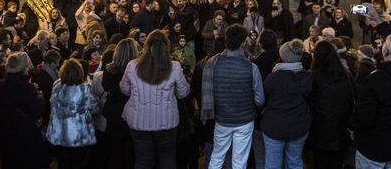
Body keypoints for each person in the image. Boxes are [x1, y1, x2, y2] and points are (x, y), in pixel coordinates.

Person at [120, 29, 191, 169]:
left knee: (142, 159)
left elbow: (124, 89)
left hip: (138, 121)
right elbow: (183, 93)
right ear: (167, 46)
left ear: (146, 45)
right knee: (167, 158)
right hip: (166, 122)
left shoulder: (132, 66)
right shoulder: (175, 67)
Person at [350, 31, 391, 168]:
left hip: (373, 149)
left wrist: (351, 125)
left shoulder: (375, 80)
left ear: (386, 51)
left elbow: (364, 117)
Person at [202, 24, 266, 169]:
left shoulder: (213, 63)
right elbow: (260, 99)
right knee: (239, 161)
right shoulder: (251, 67)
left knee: (217, 157)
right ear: (243, 42)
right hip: (245, 121)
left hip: (222, 119)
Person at [260, 39, 313, 169]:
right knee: (295, 161)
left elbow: (262, 98)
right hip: (300, 126)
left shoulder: (274, 77)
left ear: (282, 56)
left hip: (274, 127)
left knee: (273, 164)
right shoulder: (307, 76)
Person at [0, 52, 51, 169]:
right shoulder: (27, 88)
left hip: (7, 135)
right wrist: (40, 98)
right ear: (24, 68)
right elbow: (36, 111)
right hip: (26, 134)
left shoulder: (1, 87)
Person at [307, 40, 355, 169]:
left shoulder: (313, 76)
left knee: (320, 163)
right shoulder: (346, 74)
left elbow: (310, 104)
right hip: (341, 131)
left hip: (319, 133)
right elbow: (351, 100)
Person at [46, 58, 99, 169]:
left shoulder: (57, 85)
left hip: (59, 134)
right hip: (80, 136)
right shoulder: (85, 88)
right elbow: (94, 109)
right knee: (80, 164)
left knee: (63, 163)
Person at [102, 39, 140, 169]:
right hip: (132, 113)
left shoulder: (108, 70)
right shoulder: (137, 71)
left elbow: (106, 87)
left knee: (116, 151)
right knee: (131, 152)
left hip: (113, 113)